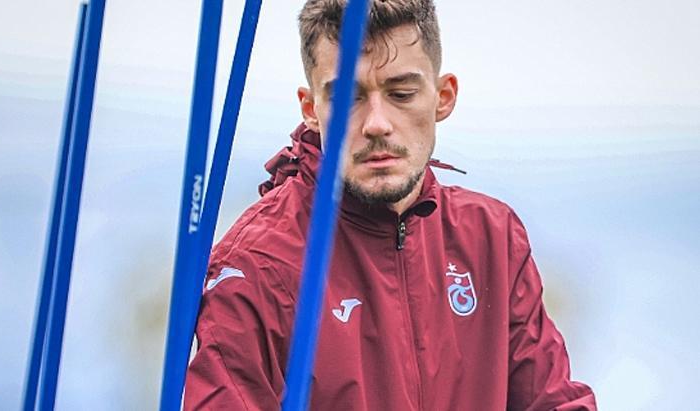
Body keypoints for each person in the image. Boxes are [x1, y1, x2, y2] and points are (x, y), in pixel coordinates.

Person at [184, 0, 597, 409]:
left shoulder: (492, 235)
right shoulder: (256, 263)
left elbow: (554, 401)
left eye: (401, 94)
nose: (377, 124)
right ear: (311, 109)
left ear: (443, 96)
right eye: (348, 98)